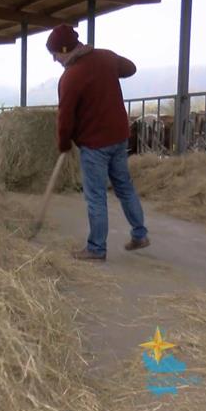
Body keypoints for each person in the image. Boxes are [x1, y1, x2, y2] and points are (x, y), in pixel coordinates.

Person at [46, 24, 150, 261]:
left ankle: (96, 248)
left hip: (95, 143)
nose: (54, 59)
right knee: (124, 187)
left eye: (55, 54)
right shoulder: (106, 56)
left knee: (96, 196)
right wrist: (110, 69)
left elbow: (65, 118)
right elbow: (130, 68)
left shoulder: (70, 77)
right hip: (119, 137)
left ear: (65, 49)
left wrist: (63, 143)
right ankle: (140, 234)